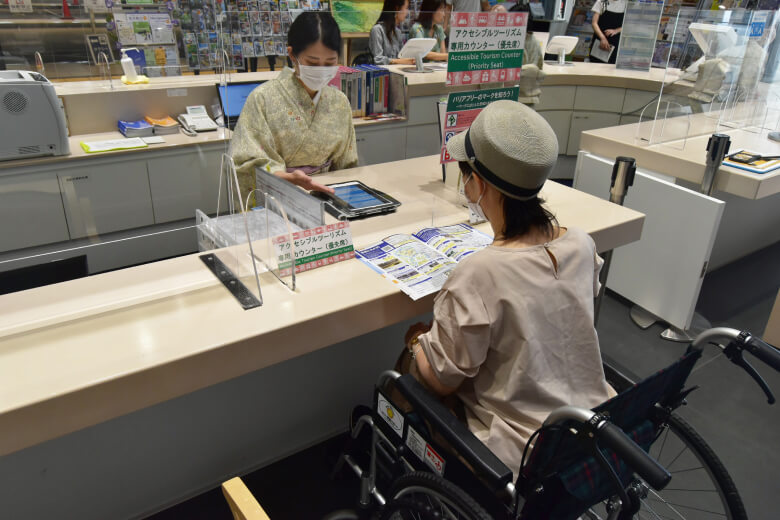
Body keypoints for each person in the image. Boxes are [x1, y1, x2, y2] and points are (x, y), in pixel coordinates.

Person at [402, 100, 614, 478]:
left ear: (478, 184)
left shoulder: (479, 274)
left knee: (410, 369)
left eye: (466, 175)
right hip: (589, 428)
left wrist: (416, 342)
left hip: (521, 450)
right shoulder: (581, 244)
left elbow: (441, 378)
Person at [230, 12, 357, 204]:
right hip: (278, 197)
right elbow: (245, 164)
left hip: (326, 198)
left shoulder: (339, 101)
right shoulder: (262, 98)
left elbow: (347, 165)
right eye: (313, 63)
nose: (321, 70)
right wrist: (287, 178)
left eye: (330, 63)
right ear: (292, 55)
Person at [369, 0, 416, 65]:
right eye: (406, 8)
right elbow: (377, 59)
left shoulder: (398, 32)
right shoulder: (377, 30)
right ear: (397, 9)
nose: (407, 12)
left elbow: (402, 56)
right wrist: (398, 61)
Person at [590, 0, 626, 64]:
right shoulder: (602, 2)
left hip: (616, 41)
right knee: (596, 65)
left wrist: (616, 30)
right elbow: (594, 23)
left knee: (612, 67)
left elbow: (630, 23)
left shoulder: (626, 3)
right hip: (600, 39)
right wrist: (602, 38)